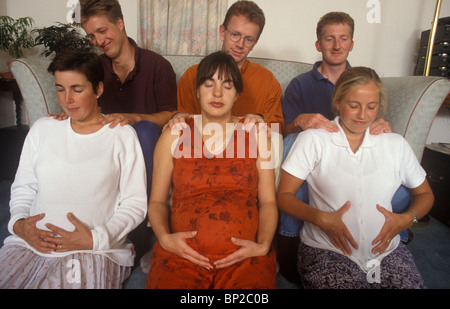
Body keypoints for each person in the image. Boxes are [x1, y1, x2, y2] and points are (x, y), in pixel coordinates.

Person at [277, 12, 409, 285]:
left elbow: (372, 124)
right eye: (329, 39)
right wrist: (298, 123)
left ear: (351, 43)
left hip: (358, 164)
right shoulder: (300, 84)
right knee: (292, 142)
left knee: (404, 189)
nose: (336, 46)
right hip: (317, 168)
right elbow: (283, 131)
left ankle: (395, 239)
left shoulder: (365, 82)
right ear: (318, 44)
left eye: (343, 39)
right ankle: (290, 242)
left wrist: (381, 125)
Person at [0, 49, 147, 289]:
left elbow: (135, 203)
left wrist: (95, 238)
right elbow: (24, 187)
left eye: (77, 90)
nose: (67, 99)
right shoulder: (43, 129)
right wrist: (18, 225)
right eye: (60, 89)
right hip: (29, 244)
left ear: (98, 89)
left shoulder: (121, 135)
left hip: (93, 250)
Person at [277, 66, 433, 289]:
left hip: (387, 252)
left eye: (372, 107)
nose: (363, 115)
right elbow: (284, 195)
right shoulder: (313, 140)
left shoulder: (395, 144)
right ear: (339, 102)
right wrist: (320, 218)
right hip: (327, 250)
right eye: (354, 105)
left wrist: (408, 218)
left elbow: (425, 193)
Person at [146, 51, 278, 289]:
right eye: (209, 84)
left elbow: (268, 202)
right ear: (196, 91)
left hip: (243, 260)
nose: (217, 93)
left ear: (237, 94)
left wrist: (263, 245)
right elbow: (156, 202)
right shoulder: (173, 134)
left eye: (227, 87)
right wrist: (165, 239)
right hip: (182, 256)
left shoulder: (257, 135)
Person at [78, 0, 177, 261]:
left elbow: (170, 115)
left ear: (120, 24)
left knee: (142, 130)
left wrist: (133, 118)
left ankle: (137, 234)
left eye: (102, 31)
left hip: (147, 146)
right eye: (91, 35)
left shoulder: (157, 66)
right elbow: (82, 104)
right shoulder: (95, 67)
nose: (98, 41)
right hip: (108, 146)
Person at [172, 0, 283, 132]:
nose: (240, 44)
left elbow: (278, 127)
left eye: (248, 39)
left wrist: (260, 119)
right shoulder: (192, 75)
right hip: (200, 145)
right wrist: (180, 118)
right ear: (222, 32)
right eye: (235, 35)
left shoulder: (267, 80)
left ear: (254, 43)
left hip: (247, 147)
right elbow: (182, 123)